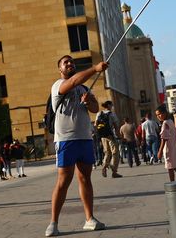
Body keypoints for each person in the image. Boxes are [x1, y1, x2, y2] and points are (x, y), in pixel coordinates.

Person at [46, 56, 108, 237]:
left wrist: (89, 101)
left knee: (85, 178)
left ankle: (89, 219)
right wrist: (95, 69)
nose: (70, 64)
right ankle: (53, 223)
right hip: (66, 139)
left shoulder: (84, 88)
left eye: (71, 62)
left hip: (85, 138)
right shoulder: (58, 85)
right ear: (60, 69)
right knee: (63, 181)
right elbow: (73, 81)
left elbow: (95, 109)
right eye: (65, 63)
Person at [155, 105, 176, 182]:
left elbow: (164, 139)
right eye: (157, 115)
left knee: (170, 167)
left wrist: (159, 151)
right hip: (174, 146)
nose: (159, 116)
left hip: (168, 148)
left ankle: (175, 182)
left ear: (165, 113)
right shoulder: (170, 121)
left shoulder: (165, 123)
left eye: (160, 114)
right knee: (173, 165)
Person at [94, 100, 122, 178]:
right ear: (109, 105)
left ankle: (104, 166)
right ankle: (114, 171)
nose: (112, 106)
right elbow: (116, 127)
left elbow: (95, 125)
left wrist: (98, 135)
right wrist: (119, 136)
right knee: (115, 152)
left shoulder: (99, 113)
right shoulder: (112, 114)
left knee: (107, 152)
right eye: (111, 105)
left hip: (102, 136)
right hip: (110, 135)